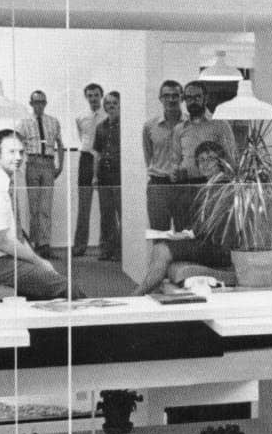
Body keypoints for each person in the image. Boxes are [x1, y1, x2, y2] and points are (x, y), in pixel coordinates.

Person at [0, 129, 68, 298]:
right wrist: (39, 261)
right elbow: (4, 241)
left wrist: (38, 262)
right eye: (11, 152)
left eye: (21, 152)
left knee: (52, 276)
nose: (18, 158)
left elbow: (15, 235)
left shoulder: (0, 180)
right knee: (64, 286)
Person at [134, 141, 236, 295]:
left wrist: (188, 234)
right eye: (201, 160)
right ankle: (144, 292)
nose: (205, 164)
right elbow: (202, 221)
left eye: (210, 159)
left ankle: (138, 294)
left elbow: (212, 223)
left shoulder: (222, 185)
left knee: (162, 249)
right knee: (160, 246)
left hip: (218, 249)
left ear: (220, 161)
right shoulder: (210, 184)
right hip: (208, 243)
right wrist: (184, 234)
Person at [15, 90, 64, 258]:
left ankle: (45, 245)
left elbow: (60, 144)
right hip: (33, 164)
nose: (39, 105)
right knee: (34, 207)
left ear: (45, 103)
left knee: (45, 207)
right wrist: (18, 164)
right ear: (31, 103)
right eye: (36, 102)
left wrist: (60, 166)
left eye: (42, 102)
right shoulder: (24, 122)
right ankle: (36, 245)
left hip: (48, 164)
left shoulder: (53, 121)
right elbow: (16, 142)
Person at [142, 79, 186, 230]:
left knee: (185, 233)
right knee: (158, 233)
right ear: (160, 98)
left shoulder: (190, 124)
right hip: (158, 186)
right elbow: (148, 156)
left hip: (185, 185)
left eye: (175, 95)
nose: (171, 99)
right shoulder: (150, 126)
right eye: (166, 96)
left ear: (182, 98)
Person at [172, 81, 237, 180]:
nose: (193, 101)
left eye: (197, 97)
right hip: (186, 184)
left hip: (213, 183)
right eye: (189, 98)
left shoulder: (220, 124)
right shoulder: (179, 128)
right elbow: (176, 162)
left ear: (206, 98)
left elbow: (231, 159)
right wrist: (175, 174)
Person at [71, 81, 104, 257]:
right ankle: (80, 246)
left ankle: (107, 247)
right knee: (84, 205)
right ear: (86, 97)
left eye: (96, 95)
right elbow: (82, 137)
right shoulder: (80, 117)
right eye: (90, 96)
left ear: (101, 96)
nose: (93, 99)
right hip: (86, 159)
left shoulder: (108, 115)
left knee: (106, 205)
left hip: (104, 160)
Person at [93, 91, 123, 262]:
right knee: (106, 215)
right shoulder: (100, 127)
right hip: (104, 175)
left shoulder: (125, 126)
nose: (111, 106)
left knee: (121, 213)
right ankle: (106, 249)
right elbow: (97, 154)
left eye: (114, 103)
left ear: (120, 105)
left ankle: (120, 250)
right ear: (104, 106)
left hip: (120, 175)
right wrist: (95, 176)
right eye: (108, 103)